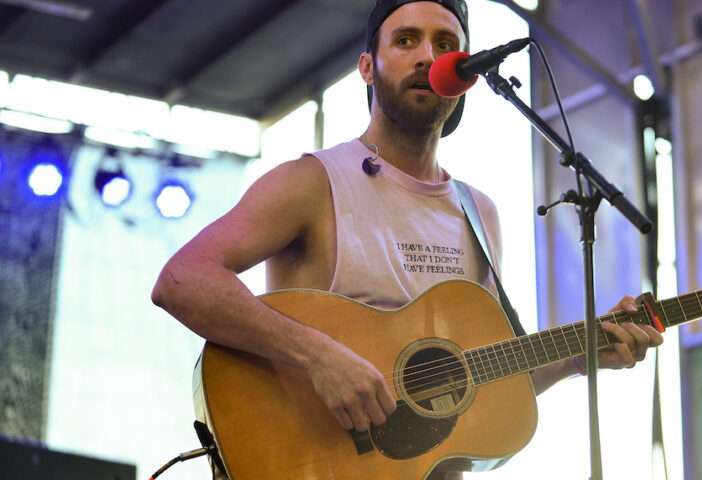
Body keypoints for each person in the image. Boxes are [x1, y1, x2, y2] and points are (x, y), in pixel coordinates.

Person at [151, 1, 664, 478]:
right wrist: (318, 356)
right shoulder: (312, 183)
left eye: (445, 45)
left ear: (465, 76)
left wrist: (579, 356)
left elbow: (474, 388)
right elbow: (181, 280)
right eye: (405, 40)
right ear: (367, 67)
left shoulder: (477, 212)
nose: (427, 57)